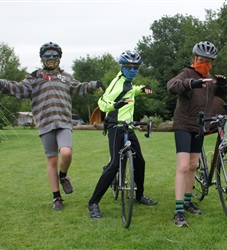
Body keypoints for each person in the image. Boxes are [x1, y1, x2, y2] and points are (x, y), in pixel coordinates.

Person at [0, 42, 105, 211]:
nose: (51, 59)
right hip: (45, 122)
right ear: (42, 58)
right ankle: (56, 197)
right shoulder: (34, 78)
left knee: (66, 152)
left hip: (63, 121)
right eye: (48, 56)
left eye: (54, 56)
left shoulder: (65, 77)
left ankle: (63, 176)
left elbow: (79, 88)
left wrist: (94, 84)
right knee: (52, 159)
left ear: (59, 58)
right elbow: (19, 89)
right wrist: (3, 84)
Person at [167, 41, 227, 227]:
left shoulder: (210, 78)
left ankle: (187, 202)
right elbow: (171, 86)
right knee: (183, 166)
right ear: (195, 59)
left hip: (200, 126)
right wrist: (191, 83)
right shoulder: (187, 73)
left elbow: (224, 90)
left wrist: (224, 83)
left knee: (194, 165)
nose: (206, 64)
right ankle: (178, 211)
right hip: (183, 125)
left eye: (209, 61)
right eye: (202, 60)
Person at [88, 50, 157, 220]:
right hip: (115, 127)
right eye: (129, 67)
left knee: (140, 161)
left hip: (129, 127)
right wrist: (115, 105)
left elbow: (131, 90)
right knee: (114, 165)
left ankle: (139, 195)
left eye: (136, 67)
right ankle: (93, 203)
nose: (133, 70)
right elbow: (102, 103)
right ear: (123, 67)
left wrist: (142, 89)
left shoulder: (127, 82)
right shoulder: (117, 83)